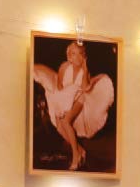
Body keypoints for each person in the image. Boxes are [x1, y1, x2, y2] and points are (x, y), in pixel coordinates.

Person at [32, 40, 115, 171]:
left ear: (84, 56)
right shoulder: (64, 67)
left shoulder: (84, 71)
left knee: (66, 122)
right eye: (74, 54)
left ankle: (76, 157)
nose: (77, 57)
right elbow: (59, 86)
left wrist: (85, 69)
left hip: (80, 98)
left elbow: (85, 88)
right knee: (59, 127)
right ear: (69, 56)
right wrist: (64, 104)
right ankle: (80, 149)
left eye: (80, 54)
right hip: (65, 98)